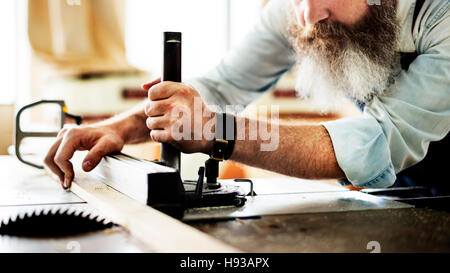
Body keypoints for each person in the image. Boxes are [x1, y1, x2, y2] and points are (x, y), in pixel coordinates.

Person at [44, 0, 449, 196]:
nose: (306, 16)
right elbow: (223, 84)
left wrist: (215, 131)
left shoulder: (441, 16)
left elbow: (380, 141)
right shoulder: (303, 9)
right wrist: (121, 127)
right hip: (397, 196)